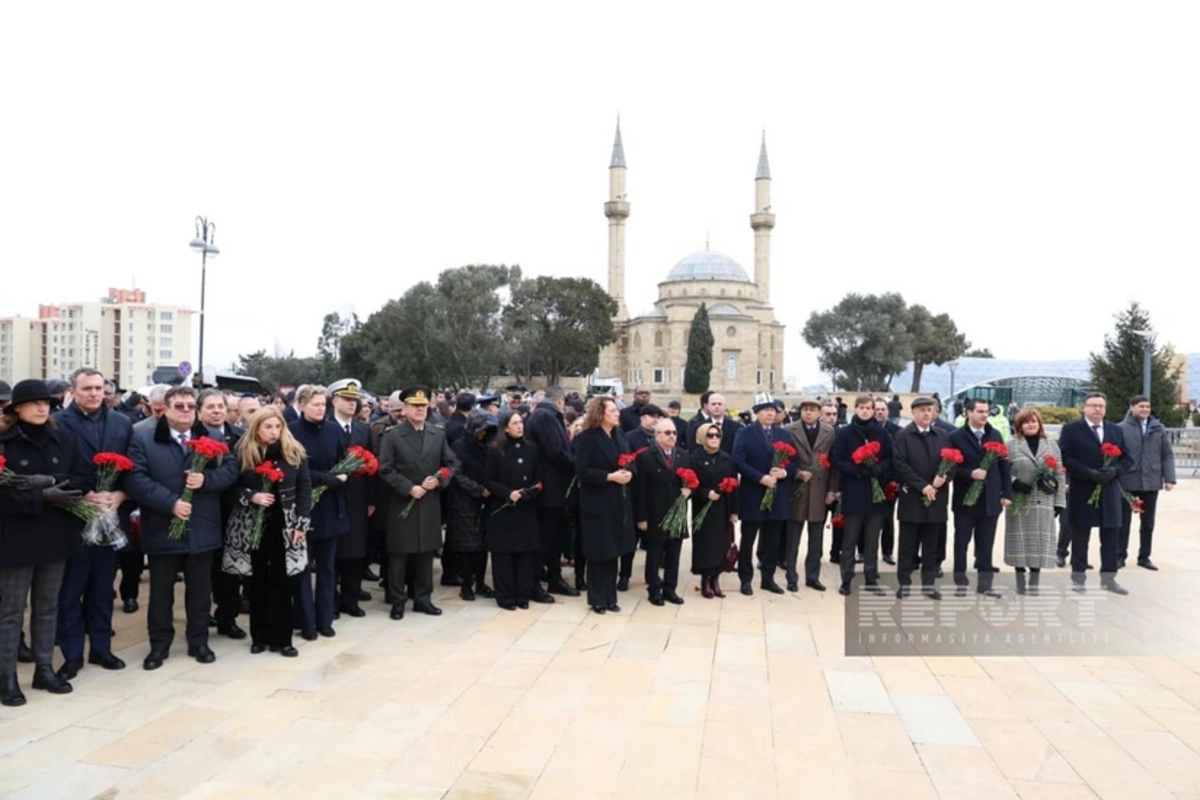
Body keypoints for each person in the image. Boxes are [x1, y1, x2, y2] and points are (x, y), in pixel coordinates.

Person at [126, 385, 239, 669]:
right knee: (161, 592)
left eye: (190, 406)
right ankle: (159, 644)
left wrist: (206, 480)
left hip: (202, 526)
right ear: (165, 409)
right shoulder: (143, 437)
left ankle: (198, 641)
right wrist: (171, 503)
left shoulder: (213, 436)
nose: (186, 411)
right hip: (162, 525)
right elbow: (136, 479)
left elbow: (231, 470)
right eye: (179, 406)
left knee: (200, 592)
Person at [0, 380, 91, 706]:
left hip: (55, 534)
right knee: (11, 611)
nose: (42, 408)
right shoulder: (4, 443)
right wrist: (41, 498)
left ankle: (44, 668)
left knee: (48, 606)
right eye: (34, 403)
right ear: (17, 408)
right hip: (16, 538)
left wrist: (52, 482)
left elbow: (84, 477)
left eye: (47, 404)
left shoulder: (64, 439)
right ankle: (6, 677)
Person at [54, 368, 134, 680]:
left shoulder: (121, 423)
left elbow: (134, 467)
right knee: (70, 591)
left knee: (103, 589)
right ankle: (72, 655)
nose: (94, 394)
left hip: (111, 516)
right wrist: (82, 495)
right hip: (73, 517)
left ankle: (101, 648)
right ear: (73, 391)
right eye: (87, 388)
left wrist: (122, 494)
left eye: (99, 388)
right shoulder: (58, 423)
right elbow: (56, 469)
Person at [224, 406, 311, 656]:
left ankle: (283, 639)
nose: (274, 432)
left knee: (283, 583)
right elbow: (230, 487)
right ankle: (259, 637)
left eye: (278, 427)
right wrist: (251, 496)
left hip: (285, 524)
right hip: (252, 524)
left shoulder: (294, 452)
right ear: (256, 428)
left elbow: (304, 488)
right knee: (256, 582)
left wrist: (301, 524)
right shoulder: (243, 451)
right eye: (268, 427)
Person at [378, 386, 459, 619]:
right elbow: (385, 469)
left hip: (429, 503)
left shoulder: (437, 433)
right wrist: (408, 487)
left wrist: (439, 479)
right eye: (415, 406)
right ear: (404, 409)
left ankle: (423, 599)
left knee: (426, 553)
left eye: (423, 406)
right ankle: (398, 600)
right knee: (399, 556)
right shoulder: (393, 435)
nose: (420, 410)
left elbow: (451, 463)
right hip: (402, 503)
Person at [288, 385, 349, 639]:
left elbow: (342, 460)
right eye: (315, 404)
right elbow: (292, 468)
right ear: (302, 405)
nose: (321, 409)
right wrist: (324, 478)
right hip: (305, 507)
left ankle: (325, 619)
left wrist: (341, 476)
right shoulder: (292, 431)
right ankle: (306, 622)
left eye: (323, 404)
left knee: (327, 569)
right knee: (302, 570)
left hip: (330, 506)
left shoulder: (333, 429)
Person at [1059, 392, 1131, 594]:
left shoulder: (1115, 430)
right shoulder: (1071, 429)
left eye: (1101, 406)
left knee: (1110, 538)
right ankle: (1078, 578)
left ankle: (1109, 579)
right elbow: (1065, 457)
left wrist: (1115, 471)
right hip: (1083, 489)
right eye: (1093, 405)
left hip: (1109, 490)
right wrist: (1087, 473)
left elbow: (1127, 459)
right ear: (1084, 407)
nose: (1097, 409)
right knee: (1080, 537)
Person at [574, 397, 635, 614]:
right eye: (613, 410)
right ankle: (597, 599)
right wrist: (609, 477)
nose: (618, 414)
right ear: (600, 414)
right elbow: (582, 471)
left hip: (618, 502)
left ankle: (610, 597)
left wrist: (629, 473)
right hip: (597, 502)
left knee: (613, 550)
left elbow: (630, 460)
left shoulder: (620, 435)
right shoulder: (586, 438)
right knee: (598, 551)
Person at [732, 393, 797, 596]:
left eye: (773, 410)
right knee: (748, 539)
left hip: (777, 494)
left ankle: (768, 578)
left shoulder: (783, 434)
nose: (770, 414)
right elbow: (739, 461)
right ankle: (745, 579)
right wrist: (760, 478)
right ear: (757, 413)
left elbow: (793, 462)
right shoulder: (745, 433)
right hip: (754, 493)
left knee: (772, 540)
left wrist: (783, 472)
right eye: (766, 410)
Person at [947, 398, 1012, 597]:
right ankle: (960, 582)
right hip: (965, 499)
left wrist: (1006, 493)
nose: (985, 415)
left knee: (986, 544)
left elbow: (1003, 465)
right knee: (961, 543)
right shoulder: (955, 436)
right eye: (980, 411)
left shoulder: (995, 434)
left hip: (990, 500)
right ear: (968, 413)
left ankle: (985, 584)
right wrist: (970, 474)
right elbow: (950, 468)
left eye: (986, 411)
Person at [830, 394, 893, 596]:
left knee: (872, 540)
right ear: (855, 409)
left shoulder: (882, 433)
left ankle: (871, 578)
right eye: (861, 407)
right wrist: (857, 470)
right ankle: (846, 579)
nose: (865, 411)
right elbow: (836, 459)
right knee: (850, 539)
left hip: (876, 493)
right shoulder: (845, 433)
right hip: (854, 490)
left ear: (874, 410)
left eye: (868, 408)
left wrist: (878, 469)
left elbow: (890, 457)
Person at [485, 410, 545, 610]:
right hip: (504, 509)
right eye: (515, 423)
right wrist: (508, 493)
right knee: (504, 555)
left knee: (525, 554)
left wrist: (531, 492)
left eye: (521, 422)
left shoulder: (531, 449)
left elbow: (538, 478)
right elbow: (489, 480)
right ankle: (506, 596)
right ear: (505, 428)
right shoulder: (495, 450)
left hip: (526, 508)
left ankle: (523, 595)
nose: (520, 426)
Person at [892, 396, 949, 599]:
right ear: (914, 413)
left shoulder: (942, 435)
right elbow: (900, 464)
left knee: (931, 546)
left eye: (929, 410)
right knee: (908, 545)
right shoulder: (903, 435)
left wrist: (943, 478)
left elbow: (951, 461)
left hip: (936, 498)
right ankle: (904, 583)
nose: (926, 413)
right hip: (912, 498)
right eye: (922, 410)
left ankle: (928, 584)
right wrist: (923, 485)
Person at [525, 386, 580, 597]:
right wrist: (575, 465)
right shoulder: (545, 416)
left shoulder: (547, 415)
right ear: (559, 400)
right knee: (547, 538)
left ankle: (554, 579)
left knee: (556, 537)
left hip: (556, 487)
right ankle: (535, 583)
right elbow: (555, 451)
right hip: (550, 487)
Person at [327, 379, 375, 619]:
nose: (351, 404)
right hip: (331, 496)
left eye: (354, 400)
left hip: (357, 498)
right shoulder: (326, 427)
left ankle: (351, 598)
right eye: (346, 399)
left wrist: (371, 500)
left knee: (355, 551)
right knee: (333, 552)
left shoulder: (363, 430)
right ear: (334, 400)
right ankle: (332, 601)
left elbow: (372, 465)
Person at [1004, 408, 1065, 595]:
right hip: (1019, 501)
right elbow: (1003, 472)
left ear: (1039, 424)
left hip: (1044, 501)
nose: (1030, 425)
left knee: (1039, 543)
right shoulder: (1011, 445)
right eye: (1026, 421)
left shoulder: (1051, 445)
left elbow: (1059, 474)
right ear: (1019, 425)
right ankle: (1020, 579)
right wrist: (1014, 483)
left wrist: (1059, 502)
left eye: (1034, 421)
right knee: (1019, 543)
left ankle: (1034, 581)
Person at [783, 397, 837, 592]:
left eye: (813, 410)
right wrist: (797, 472)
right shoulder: (789, 430)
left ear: (819, 412)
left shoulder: (829, 431)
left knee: (816, 538)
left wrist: (832, 490)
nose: (808, 413)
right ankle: (791, 576)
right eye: (805, 409)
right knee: (793, 538)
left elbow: (834, 462)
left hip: (819, 490)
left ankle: (813, 576)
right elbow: (784, 459)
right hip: (797, 489)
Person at [632, 418, 689, 606]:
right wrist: (641, 517)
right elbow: (639, 490)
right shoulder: (646, 457)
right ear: (657, 435)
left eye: (674, 433)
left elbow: (691, 480)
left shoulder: (682, 455)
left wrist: (689, 490)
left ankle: (670, 589)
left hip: (677, 513)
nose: (671, 436)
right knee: (654, 554)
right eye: (667, 433)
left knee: (674, 554)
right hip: (655, 513)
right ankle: (654, 589)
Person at [1117, 395, 1175, 570]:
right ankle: (1120, 556)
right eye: (1141, 406)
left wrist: (1169, 478)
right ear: (1132, 407)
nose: (1144, 410)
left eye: (1147, 407)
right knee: (1123, 522)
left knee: (1148, 523)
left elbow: (1167, 454)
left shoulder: (1158, 429)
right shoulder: (1121, 428)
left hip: (1150, 481)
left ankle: (1144, 556)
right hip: (1127, 481)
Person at [446, 410, 495, 601]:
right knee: (467, 546)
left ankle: (480, 583)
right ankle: (466, 585)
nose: (484, 433)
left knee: (482, 545)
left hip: (485, 500)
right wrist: (478, 489)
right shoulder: (459, 446)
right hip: (463, 501)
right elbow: (456, 474)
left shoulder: (486, 447)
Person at [689, 422, 738, 598]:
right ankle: (705, 579)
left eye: (717, 435)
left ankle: (716, 578)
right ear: (702, 437)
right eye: (710, 435)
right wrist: (705, 493)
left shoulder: (726, 458)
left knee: (721, 543)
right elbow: (690, 484)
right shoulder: (694, 458)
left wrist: (734, 511)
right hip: (703, 507)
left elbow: (734, 483)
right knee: (705, 544)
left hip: (722, 507)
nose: (714, 438)